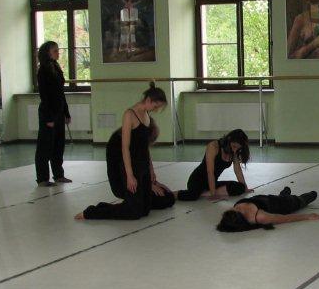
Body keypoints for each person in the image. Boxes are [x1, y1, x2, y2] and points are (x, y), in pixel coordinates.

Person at [75, 84, 175, 220]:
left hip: (143, 167)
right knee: (134, 213)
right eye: (156, 106)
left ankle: (129, 204)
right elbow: (125, 147)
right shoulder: (129, 114)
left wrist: (151, 172)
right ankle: (92, 212)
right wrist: (130, 176)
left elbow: (144, 147)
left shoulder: (146, 115)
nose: (156, 110)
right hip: (131, 166)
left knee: (150, 207)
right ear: (148, 100)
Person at [177, 129, 253, 201]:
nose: (235, 150)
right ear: (229, 139)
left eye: (238, 148)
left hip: (212, 182)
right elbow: (210, 171)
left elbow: (237, 170)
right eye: (234, 146)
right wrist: (213, 194)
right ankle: (174, 194)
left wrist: (245, 188)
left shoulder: (234, 151)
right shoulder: (213, 146)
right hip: (197, 181)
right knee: (193, 195)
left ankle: (204, 193)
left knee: (240, 187)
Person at [35, 40, 70, 186]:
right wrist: (49, 118)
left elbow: (60, 93)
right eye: (55, 51)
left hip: (59, 111)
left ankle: (58, 175)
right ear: (47, 53)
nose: (58, 52)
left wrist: (66, 112)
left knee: (58, 145)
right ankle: (42, 178)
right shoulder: (43, 70)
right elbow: (45, 95)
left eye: (57, 50)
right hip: (48, 112)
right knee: (45, 146)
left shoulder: (55, 67)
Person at [216, 187, 319, 232]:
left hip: (267, 198)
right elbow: (285, 218)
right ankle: (285, 195)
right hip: (285, 205)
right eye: (239, 211)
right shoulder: (260, 217)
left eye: (234, 209)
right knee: (312, 195)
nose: (238, 207)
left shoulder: (233, 210)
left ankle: (283, 194)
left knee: (281, 196)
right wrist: (307, 216)